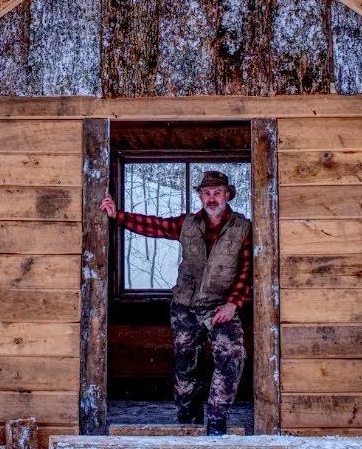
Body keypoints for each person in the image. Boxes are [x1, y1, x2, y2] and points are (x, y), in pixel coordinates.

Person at [98, 170, 252, 436]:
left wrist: (233, 304)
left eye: (217, 192)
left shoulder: (243, 227)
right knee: (184, 367)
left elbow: (248, 269)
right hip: (185, 306)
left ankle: (216, 423)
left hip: (221, 307)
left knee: (232, 358)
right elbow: (154, 225)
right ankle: (188, 421)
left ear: (228, 194)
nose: (211, 198)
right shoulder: (188, 223)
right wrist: (117, 215)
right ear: (200, 196)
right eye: (206, 193)